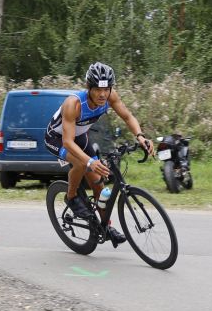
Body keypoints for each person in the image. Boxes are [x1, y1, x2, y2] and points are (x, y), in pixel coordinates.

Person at [44, 62, 154, 246]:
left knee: (99, 185)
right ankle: (71, 197)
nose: (102, 94)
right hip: (57, 139)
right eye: (97, 89)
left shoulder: (110, 97)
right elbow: (68, 142)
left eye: (106, 89)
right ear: (89, 88)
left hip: (80, 137)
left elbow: (127, 117)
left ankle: (105, 227)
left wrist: (140, 136)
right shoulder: (74, 104)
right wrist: (89, 162)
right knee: (81, 164)